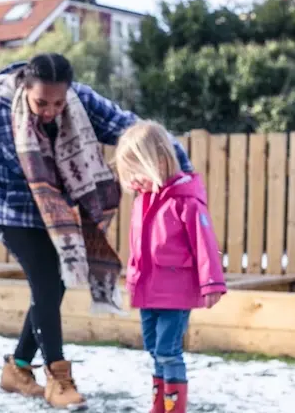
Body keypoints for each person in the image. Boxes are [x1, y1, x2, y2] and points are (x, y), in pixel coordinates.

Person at [0, 53, 193, 410]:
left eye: (58, 102)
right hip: (11, 211)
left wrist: (180, 167)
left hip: (57, 215)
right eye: (41, 102)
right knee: (47, 283)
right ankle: (59, 379)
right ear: (24, 89)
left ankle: (17, 368)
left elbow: (136, 132)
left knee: (54, 286)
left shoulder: (83, 103)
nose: (50, 110)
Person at [114, 120, 227, 413]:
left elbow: (205, 244)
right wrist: (132, 278)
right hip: (149, 291)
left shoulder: (186, 202)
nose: (134, 182)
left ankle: (174, 408)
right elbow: (139, 246)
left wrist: (211, 282)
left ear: (159, 162)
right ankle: (160, 405)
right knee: (153, 349)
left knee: (168, 351)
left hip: (176, 293)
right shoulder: (144, 201)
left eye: (137, 172)